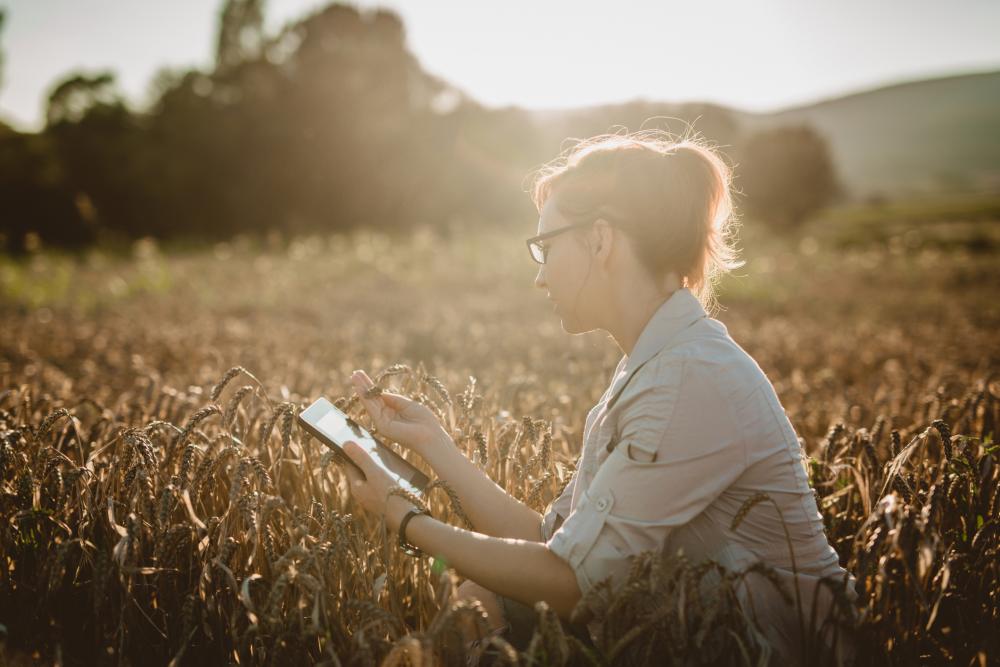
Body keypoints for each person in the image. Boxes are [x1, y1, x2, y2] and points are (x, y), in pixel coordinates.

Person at [340, 129, 857, 665]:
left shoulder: (686, 379)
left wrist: (406, 520)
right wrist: (436, 445)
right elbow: (551, 542)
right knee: (478, 600)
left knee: (478, 606)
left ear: (600, 240)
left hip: (769, 654)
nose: (540, 278)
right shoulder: (656, 365)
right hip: (704, 639)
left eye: (546, 248)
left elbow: (575, 584)